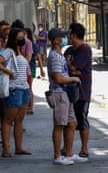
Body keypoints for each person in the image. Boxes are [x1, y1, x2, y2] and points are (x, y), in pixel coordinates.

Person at [47, 27, 88, 165]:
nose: (66, 38)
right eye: (62, 37)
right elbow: (58, 78)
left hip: (66, 93)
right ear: (56, 40)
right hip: (59, 92)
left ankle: (69, 153)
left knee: (72, 123)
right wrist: (74, 79)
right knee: (60, 125)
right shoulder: (54, 57)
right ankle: (58, 155)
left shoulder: (59, 55)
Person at [0, 28, 31, 158]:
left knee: (19, 120)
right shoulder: (9, 51)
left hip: (24, 88)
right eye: (20, 37)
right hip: (14, 89)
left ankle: (19, 148)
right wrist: (8, 72)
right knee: (8, 120)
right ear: (14, 39)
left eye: (23, 37)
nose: (23, 39)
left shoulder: (19, 52)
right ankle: (6, 149)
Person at [64, 23, 92, 158]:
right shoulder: (68, 50)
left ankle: (84, 148)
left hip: (82, 91)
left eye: (69, 34)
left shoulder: (85, 49)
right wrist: (72, 69)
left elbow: (74, 68)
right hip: (67, 90)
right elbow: (67, 69)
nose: (68, 37)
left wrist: (71, 68)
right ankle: (66, 147)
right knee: (66, 121)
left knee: (81, 120)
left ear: (73, 35)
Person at [24, 28, 45, 114]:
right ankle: (26, 106)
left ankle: (31, 107)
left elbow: (39, 57)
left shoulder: (32, 44)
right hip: (23, 68)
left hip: (31, 67)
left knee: (29, 87)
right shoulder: (21, 44)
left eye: (25, 33)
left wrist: (41, 69)